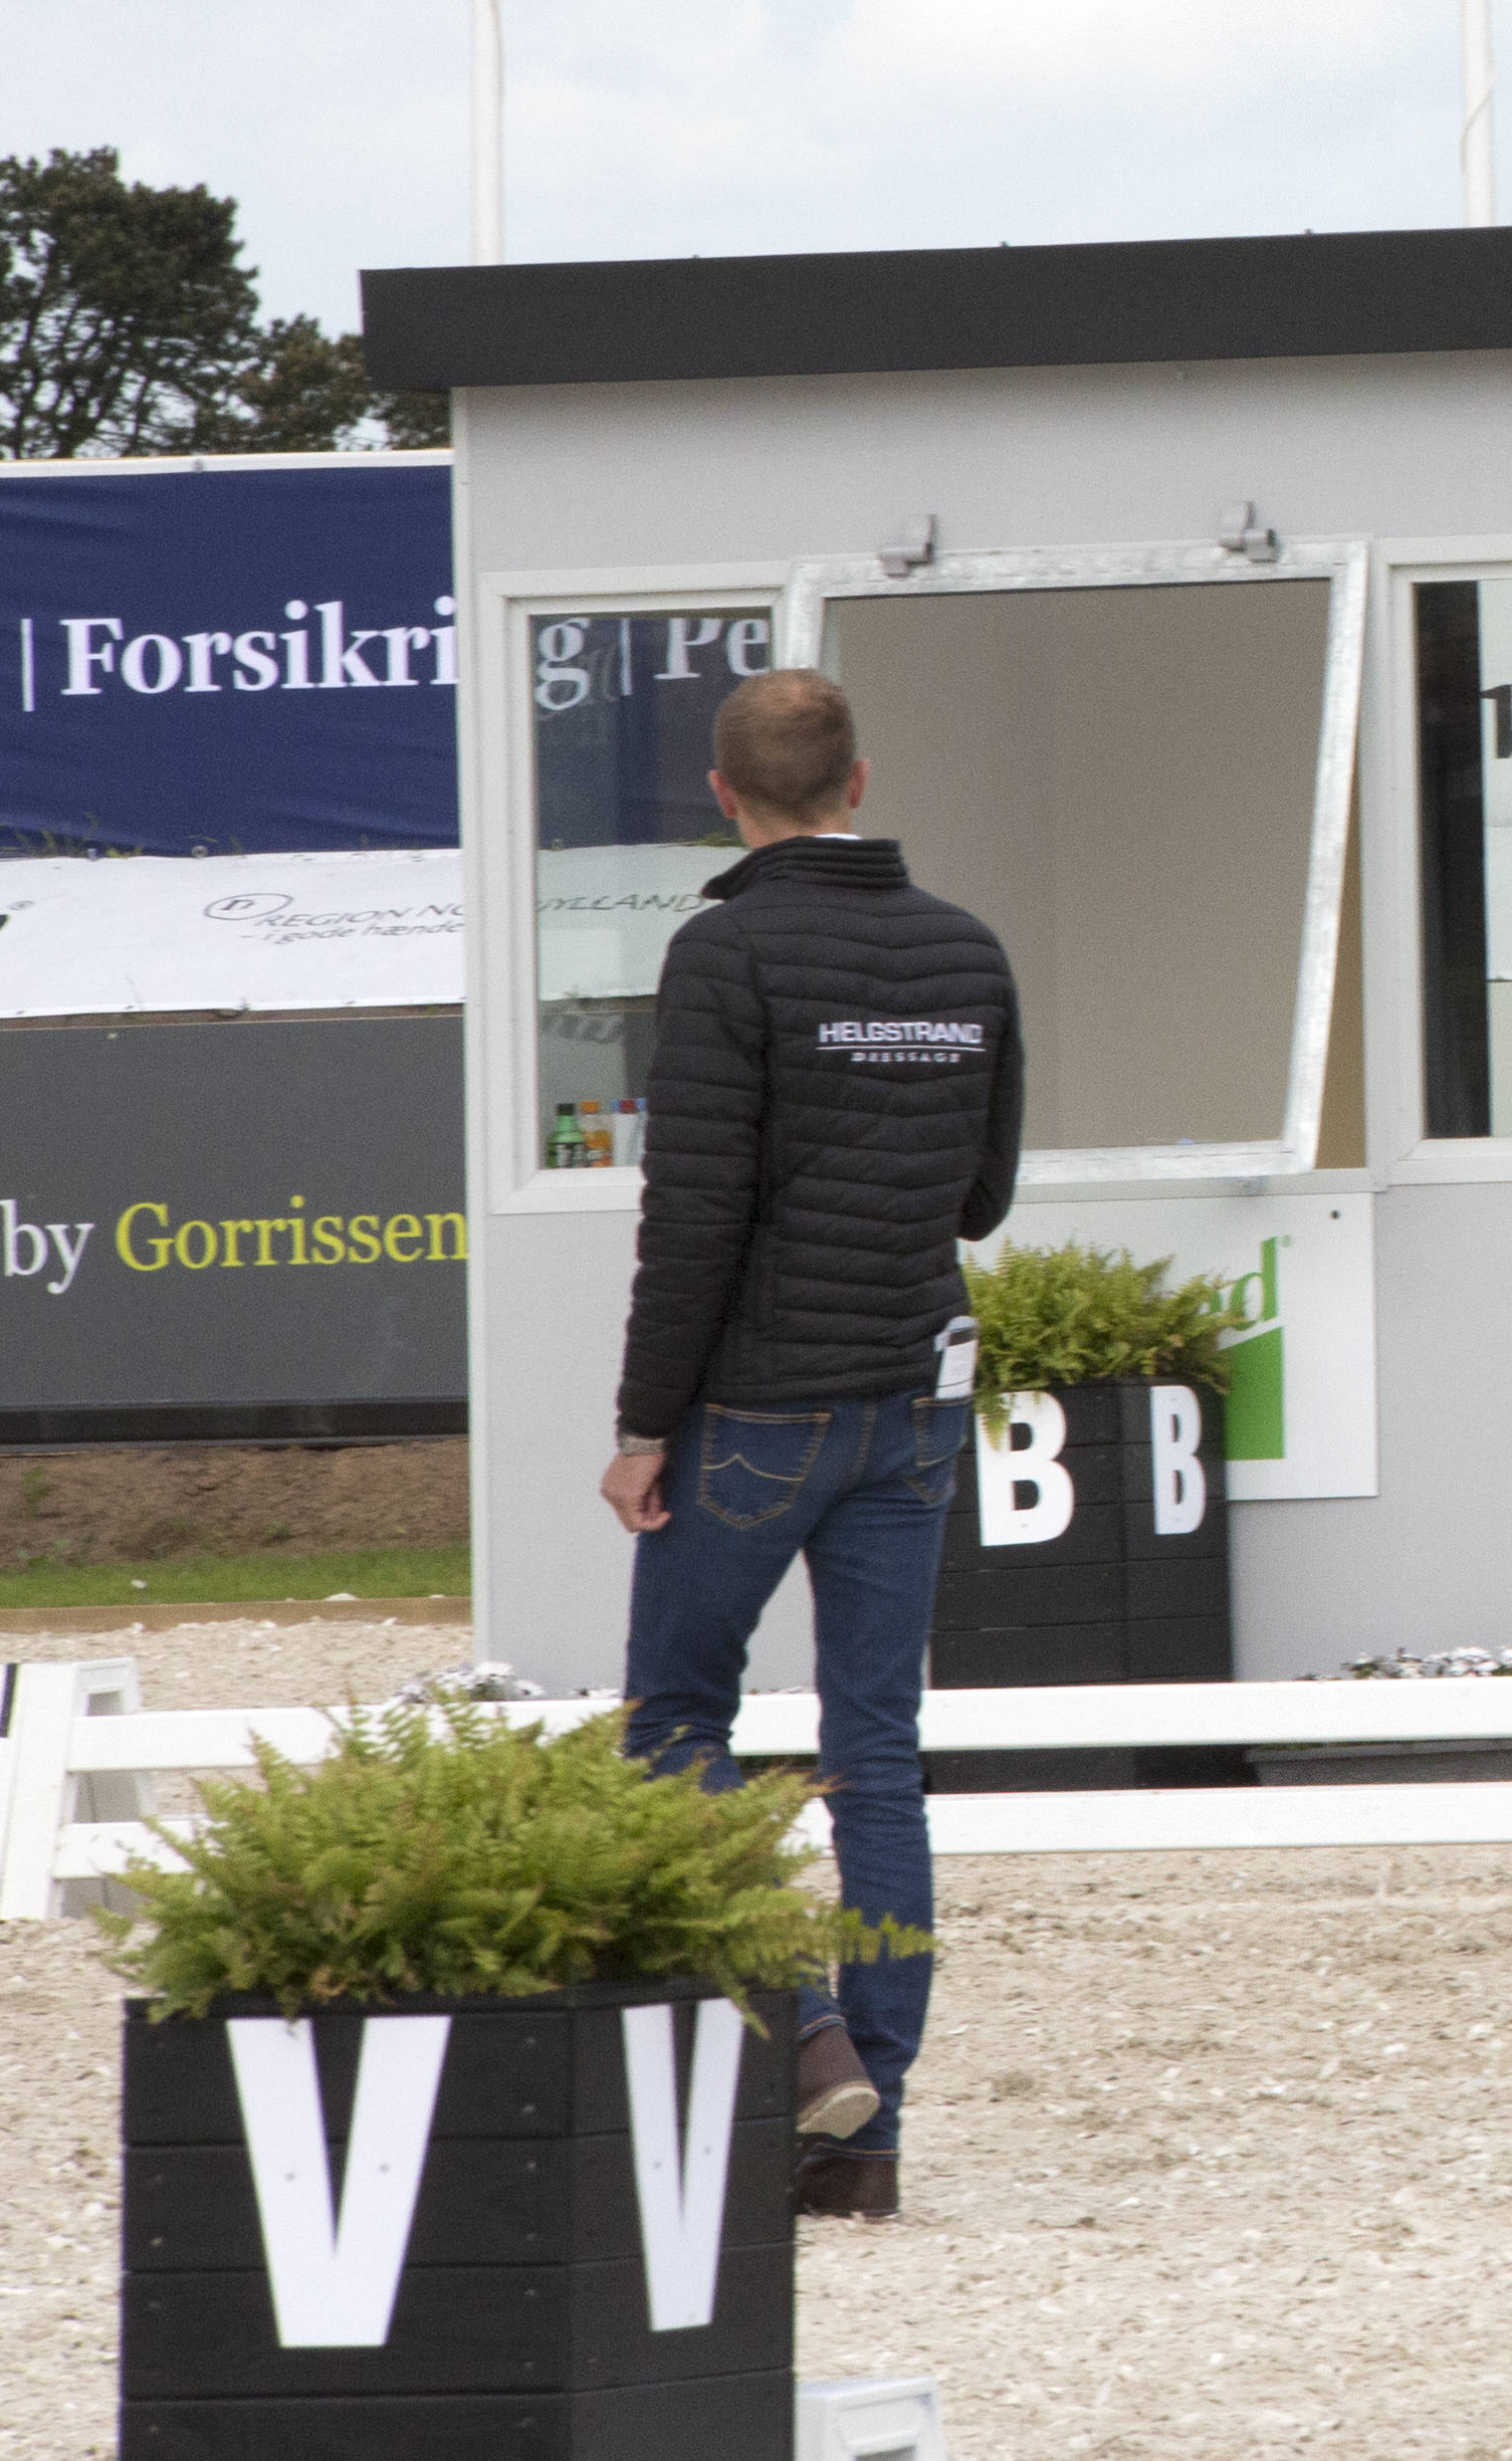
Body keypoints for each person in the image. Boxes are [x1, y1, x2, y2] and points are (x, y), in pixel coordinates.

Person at [598, 667, 1024, 2221]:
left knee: (672, 1736)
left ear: (727, 798)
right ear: (857, 782)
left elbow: (692, 1218)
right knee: (878, 1761)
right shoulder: (967, 951)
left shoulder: (724, 952)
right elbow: (983, 1198)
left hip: (758, 1412)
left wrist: (645, 1425)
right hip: (912, 1405)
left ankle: (806, 2035)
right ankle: (865, 2138)